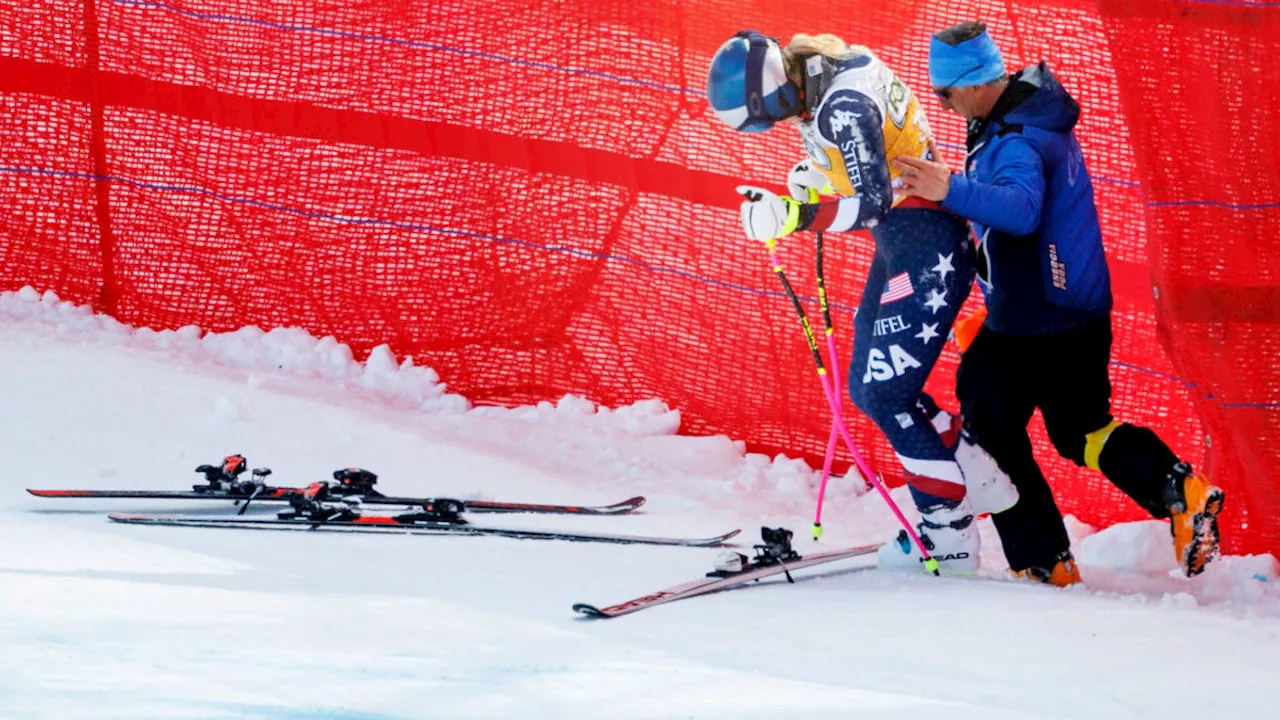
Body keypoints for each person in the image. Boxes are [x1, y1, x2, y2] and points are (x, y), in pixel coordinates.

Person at [895, 22, 1225, 584]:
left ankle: (1044, 560)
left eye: (944, 93)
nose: (942, 105)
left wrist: (946, 188)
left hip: (1039, 319)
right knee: (1080, 429)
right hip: (1071, 311)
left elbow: (1020, 210)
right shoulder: (1021, 114)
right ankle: (1180, 490)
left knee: (990, 423)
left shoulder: (1019, 137)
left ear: (972, 84)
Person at [705, 31, 1018, 575]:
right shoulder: (822, 75)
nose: (776, 126)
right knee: (866, 387)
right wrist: (817, 176)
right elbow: (880, 160)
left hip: (927, 254)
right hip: (909, 245)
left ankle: (949, 533)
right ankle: (977, 474)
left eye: (767, 118)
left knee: (885, 394)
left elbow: (872, 201)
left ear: (775, 96)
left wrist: (796, 217)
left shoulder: (842, 104)